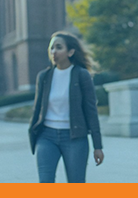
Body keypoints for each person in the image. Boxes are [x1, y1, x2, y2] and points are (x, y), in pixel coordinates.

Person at [28, 32, 104, 183]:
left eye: (59, 47)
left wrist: (97, 146)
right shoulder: (44, 76)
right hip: (47, 137)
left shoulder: (81, 75)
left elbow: (91, 111)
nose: (53, 52)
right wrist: (33, 133)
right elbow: (37, 108)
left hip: (74, 137)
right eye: (51, 48)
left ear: (70, 52)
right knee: (45, 181)